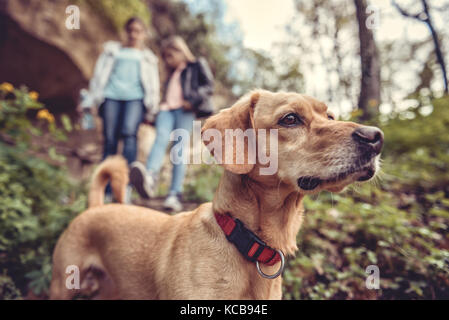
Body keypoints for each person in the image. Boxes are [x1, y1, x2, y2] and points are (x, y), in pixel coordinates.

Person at [79, 17, 160, 203]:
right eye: (130, 30)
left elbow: (153, 85)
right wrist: (90, 100)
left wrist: (152, 108)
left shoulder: (148, 58)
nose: (133, 34)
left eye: (138, 31)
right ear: (126, 31)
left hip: (136, 99)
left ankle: (125, 189)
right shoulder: (111, 51)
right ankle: (106, 190)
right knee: (110, 140)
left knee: (130, 136)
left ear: (144, 34)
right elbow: (98, 77)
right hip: (111, 97)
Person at [130, 35, 214, 212]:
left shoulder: (196, 65)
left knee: (179, 149)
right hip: (166, 110)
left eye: (170, 56)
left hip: (185, 110)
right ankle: (150, 178)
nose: (168, 61)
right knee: (160, 138)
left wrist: (192, 100)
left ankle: (174, 194)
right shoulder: (171, 74)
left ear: (180, 51)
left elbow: (208, 86)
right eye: (166, 57)